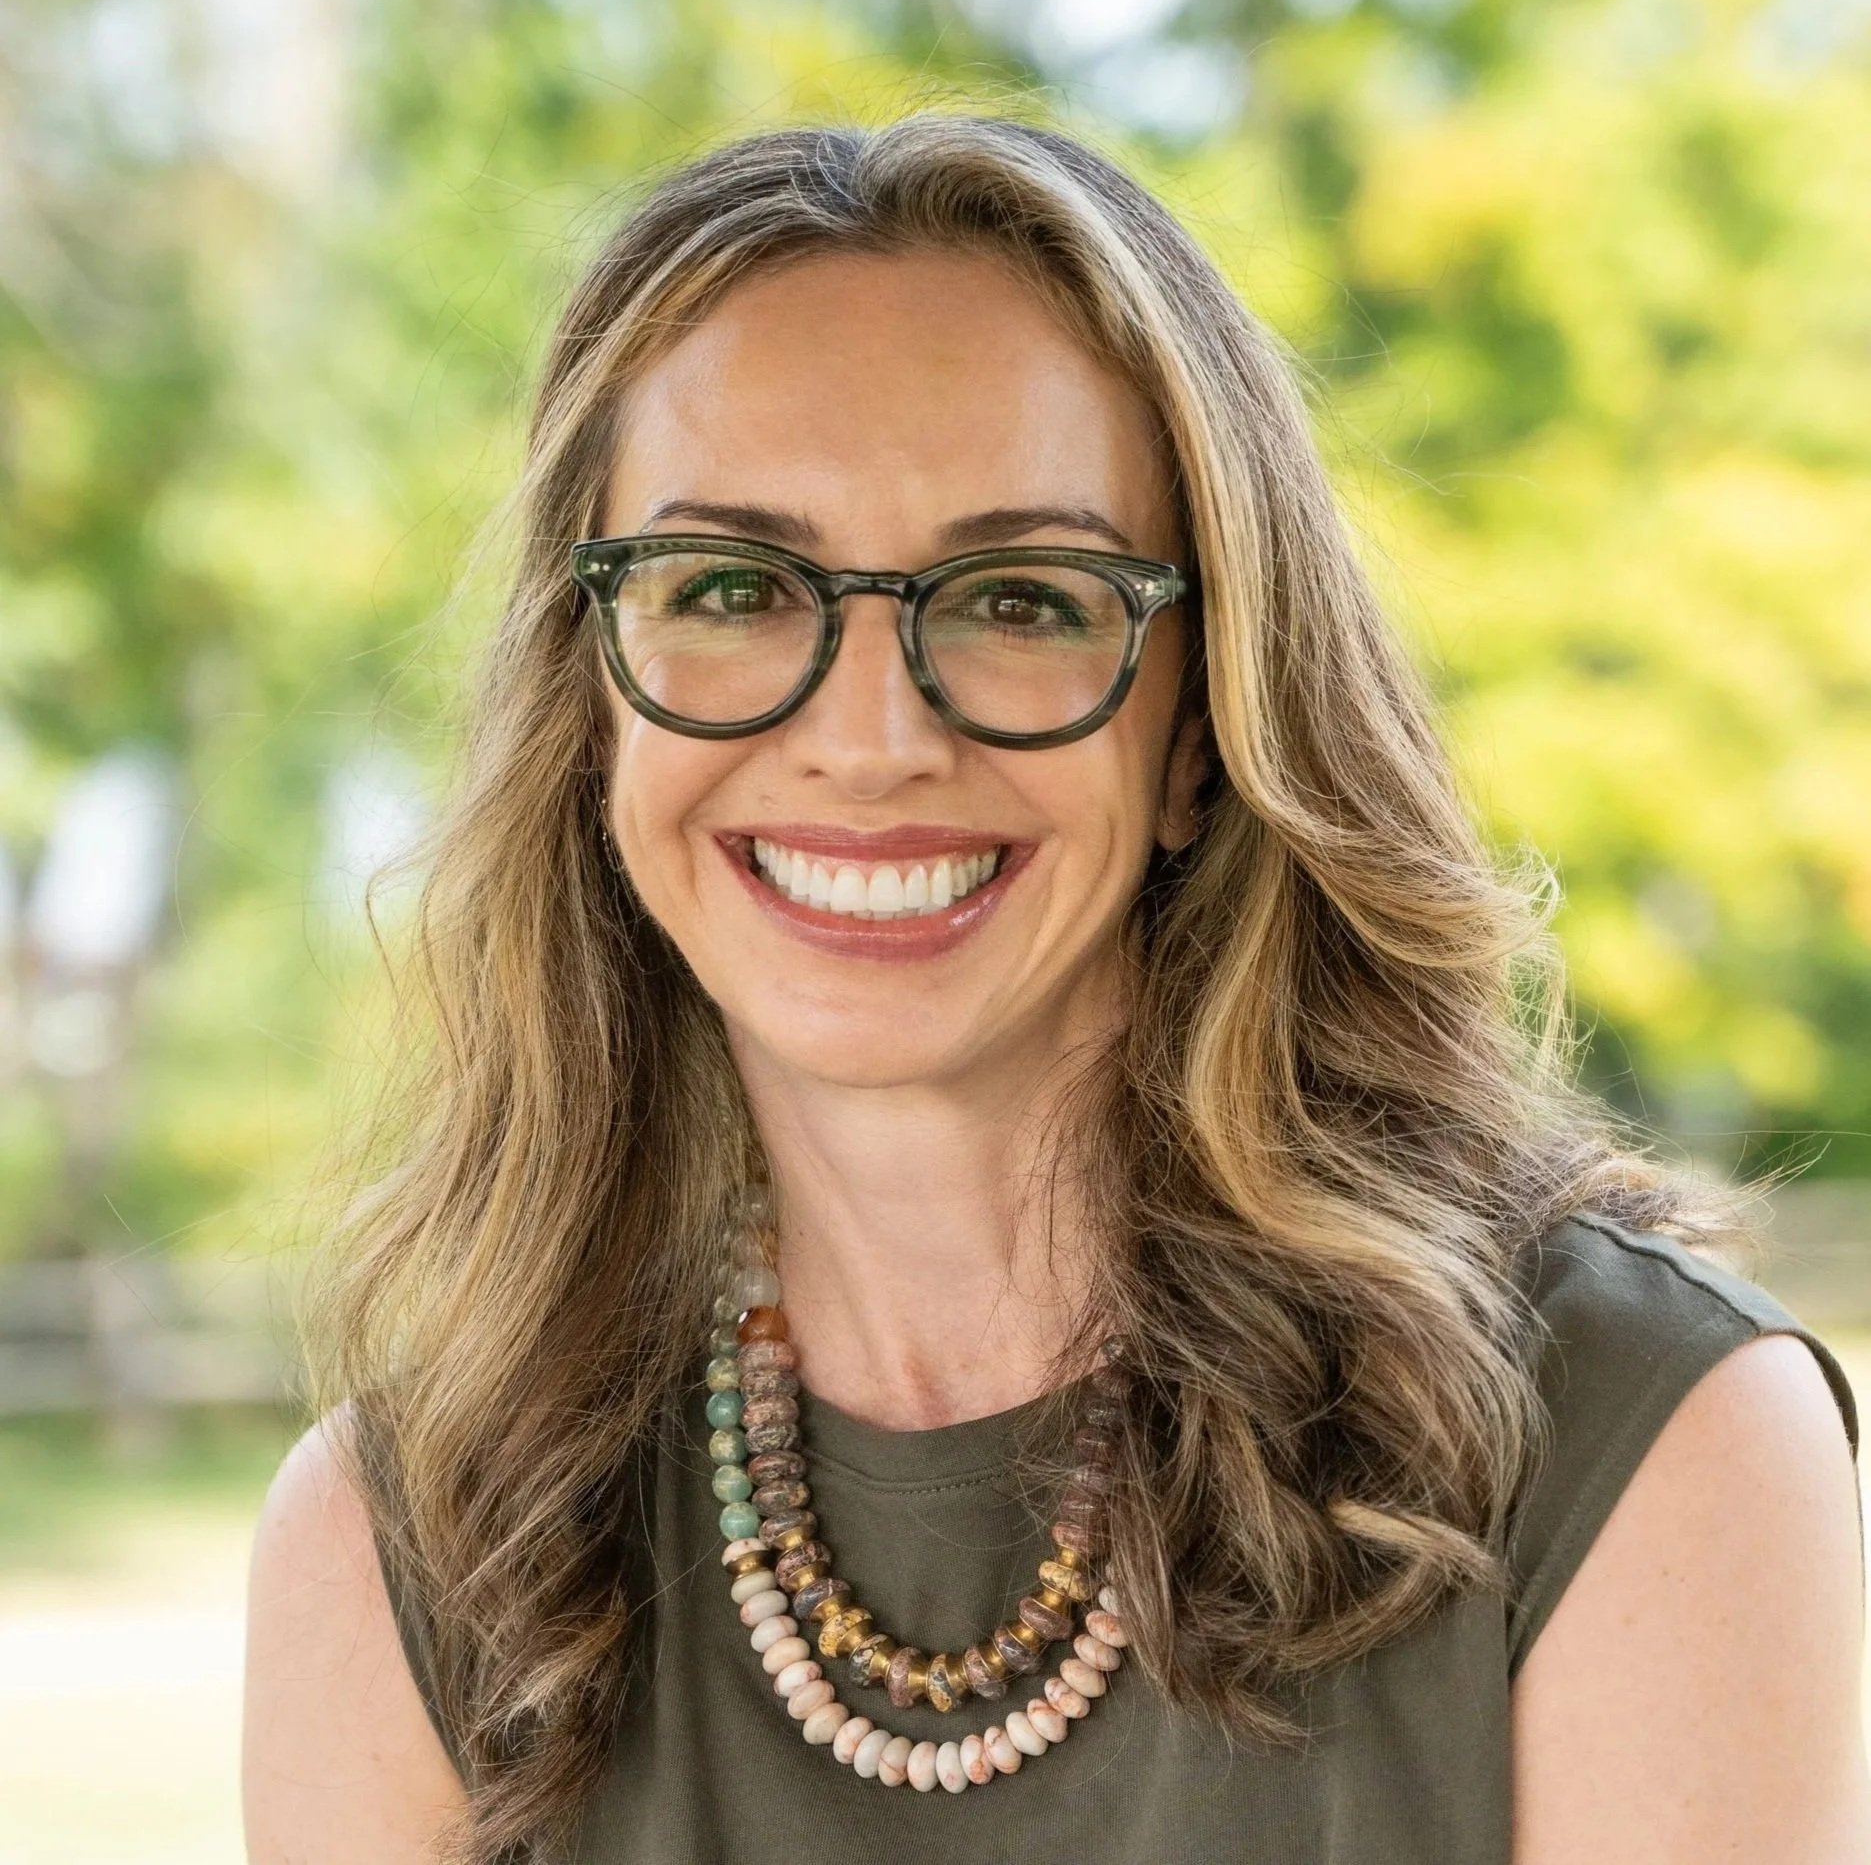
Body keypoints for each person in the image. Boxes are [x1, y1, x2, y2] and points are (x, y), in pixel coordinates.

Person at [240, 112, 1868, 1864]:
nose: (871, 738)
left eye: (1022, 599)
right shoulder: (408, 1554)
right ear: (594, 711)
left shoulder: (1639, 1446)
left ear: (1205, 724)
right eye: (730, 586)